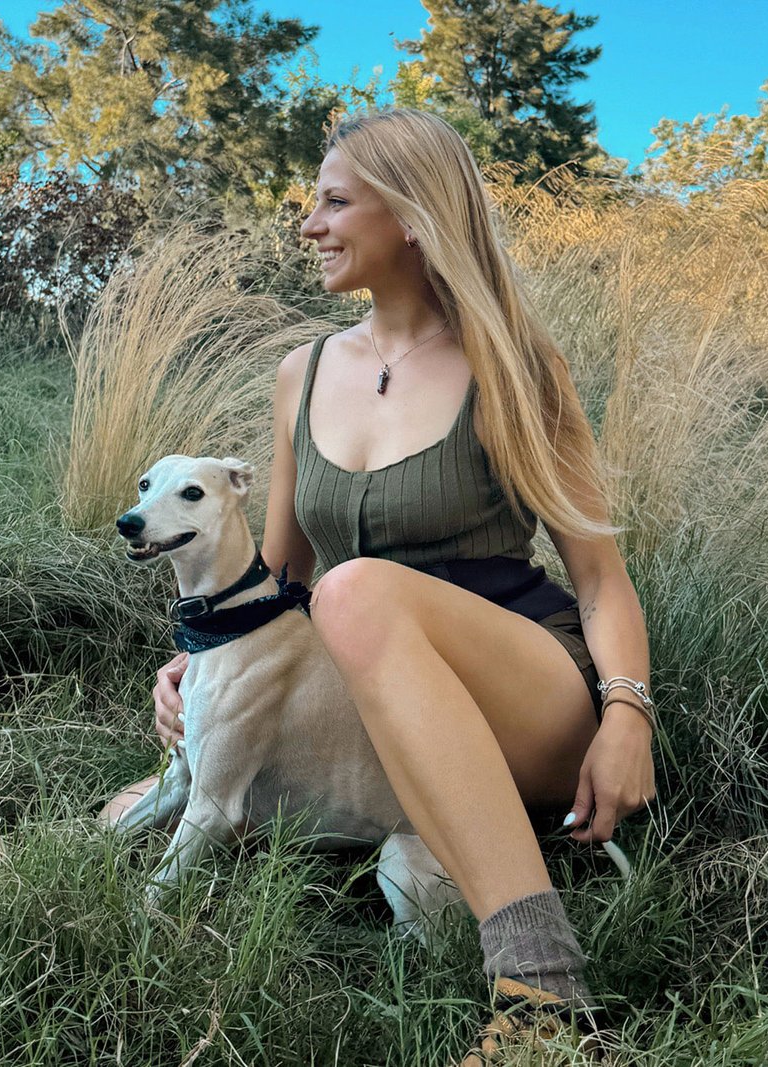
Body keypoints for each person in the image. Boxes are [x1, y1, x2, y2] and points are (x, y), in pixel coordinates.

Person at [99, 107, 656, 1063]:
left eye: (332, 201)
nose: (308, 223)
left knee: (355, 591)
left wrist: (628, 717)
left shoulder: (517, 365)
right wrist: (194, 659)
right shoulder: (300, 374)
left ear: (409, 214)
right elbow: (277, 580)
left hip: (525, 682)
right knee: (128, 806)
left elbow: (599, 577)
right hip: (379, 694)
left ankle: (549, 1003)